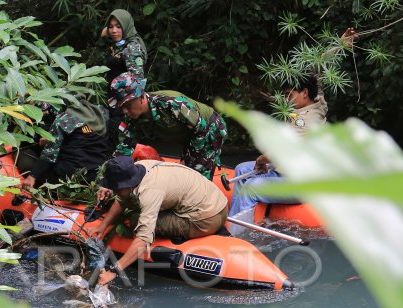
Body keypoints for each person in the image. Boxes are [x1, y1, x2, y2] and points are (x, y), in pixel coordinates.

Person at [228, 28, 359, 223]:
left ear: (304, 92)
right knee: (240, 169)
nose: (286, 98)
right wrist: (341, 44)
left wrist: (261, 161)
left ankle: (239, 233)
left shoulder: (308, 121)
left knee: (250, 185)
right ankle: (237, 218)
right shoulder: (318, 101)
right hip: (286, 171)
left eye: (290, 94)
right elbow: (321, 66)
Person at [91, 156, 228, 286]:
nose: (114, 192)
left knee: (135, 219)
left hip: (206, 219)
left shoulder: (149, 192)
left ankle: (185, 232)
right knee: (135, 205)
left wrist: (114, 271)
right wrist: (103, 226)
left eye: (116, 189)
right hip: (218, 204)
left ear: (126, 185)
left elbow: (143, 238)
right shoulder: (141, 168)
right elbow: (122, 199)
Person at [109, 72, 227, 181]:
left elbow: (201, 130)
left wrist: (189, 162)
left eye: (127, 105)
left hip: (210, 128)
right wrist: (109, 180)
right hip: (190, 135)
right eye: (121, 106)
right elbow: (124, 147)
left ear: (140, 97)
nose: (125, 110)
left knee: (195, 177)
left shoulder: (171, 104)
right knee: (186, 172)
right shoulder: (131, 118)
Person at [22, 99, 112, 189]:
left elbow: (49, 154)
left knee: (24, 159)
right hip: (94, 176)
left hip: (67, 177)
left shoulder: (65, 119)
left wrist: (32, 176)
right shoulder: (101, 116)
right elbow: (82, 137)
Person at [100, 9, 148, 148]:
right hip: (114, 101)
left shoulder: (132, 48)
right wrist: (110, 28)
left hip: (125, 104)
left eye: (119, 26)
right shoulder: (119, 44)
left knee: (119, 140)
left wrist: (128, 110)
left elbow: (137, 81)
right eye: (111, 26)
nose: (114, 30)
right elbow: (104, 35)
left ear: (127, 26)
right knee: (112, 137)